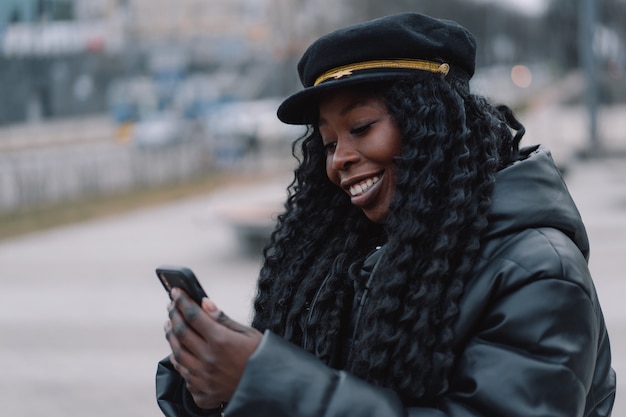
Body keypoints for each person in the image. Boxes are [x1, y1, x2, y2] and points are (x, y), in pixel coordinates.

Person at [156, 12, 616, 417]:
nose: (339, 160)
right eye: (330, 142)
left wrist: (264, 382)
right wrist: (210, 388)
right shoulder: (355, 255)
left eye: (360, 128)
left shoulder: (540, 273)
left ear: (432, 125)